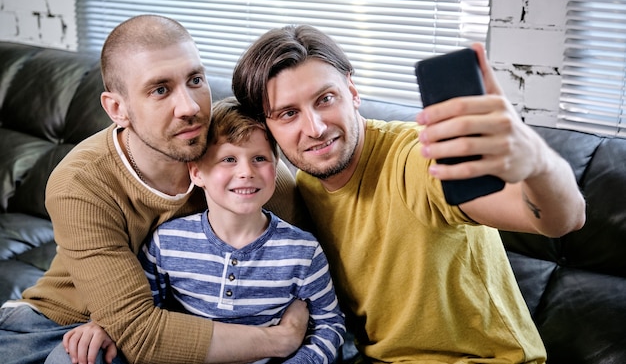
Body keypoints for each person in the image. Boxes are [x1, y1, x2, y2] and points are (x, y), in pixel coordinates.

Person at [231, 24, 587, 363]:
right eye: (288, 114)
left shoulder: (416, 160)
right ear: (268, 128)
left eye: (325, 99)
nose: (316, 128)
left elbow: (564, 220)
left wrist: (538, 162)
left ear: (352, 92)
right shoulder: (305, 186)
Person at [0, 15, 310, 364]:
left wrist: (127, 324)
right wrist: (279, 340)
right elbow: (141, 333)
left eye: (195, 80)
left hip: (163, 323)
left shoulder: (242, 161)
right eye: (160, 89)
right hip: (51, 324)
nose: (190, 107)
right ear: (117, 109)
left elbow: (304, 271)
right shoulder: (80, 183)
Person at [137, 96, 345, 364]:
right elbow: (141, 316)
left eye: (259, 158)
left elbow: (330, 325)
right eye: (229, 159)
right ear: (197, 172)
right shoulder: (166, 243)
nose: (246, 172)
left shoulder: (303, 252)